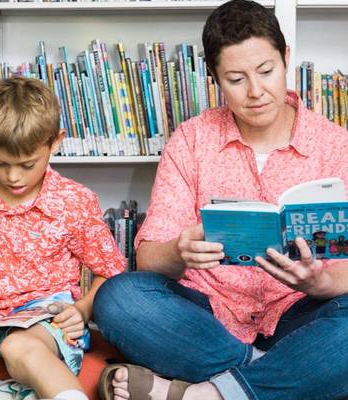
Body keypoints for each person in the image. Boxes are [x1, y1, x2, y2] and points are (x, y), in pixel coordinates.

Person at [93, 1, 348, 399]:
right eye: (236, 78)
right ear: (214, 78)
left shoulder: (337, 145)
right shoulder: (192, 139)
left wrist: (322, 280)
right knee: (118, 298)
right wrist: (181, 250)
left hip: (301, 314)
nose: (256, 92)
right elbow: (148, 258)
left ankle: (199, 394)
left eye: (267, 71)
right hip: (207, 317)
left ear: (286, 59)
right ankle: (281, 375)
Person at [0, 76, 125, 400]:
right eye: (0, 163)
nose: (13, 176)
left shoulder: (73, 200)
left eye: (27, 164)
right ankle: (1, 395)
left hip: (43, 318)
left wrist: (83, 310)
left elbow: (110, 270)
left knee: (19, 347)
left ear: (55, 142)